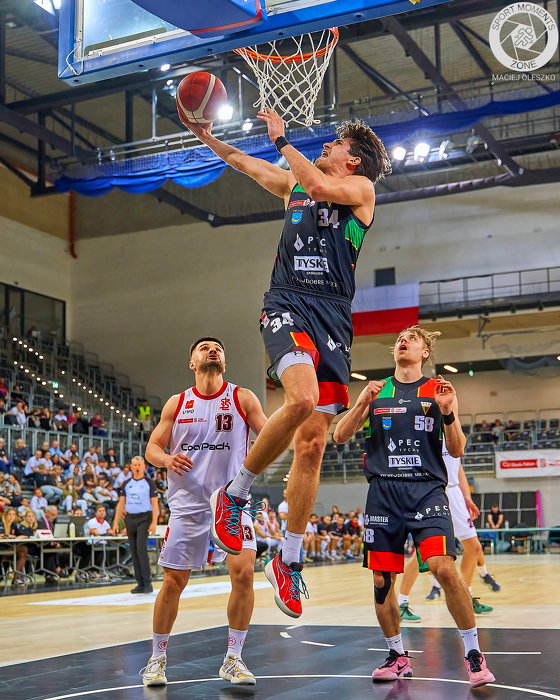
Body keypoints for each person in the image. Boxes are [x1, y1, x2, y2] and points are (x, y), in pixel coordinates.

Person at [185, 111, 389, 619]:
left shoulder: (360, 189)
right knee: (301, 400)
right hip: (288, 303)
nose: (328, 145)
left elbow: (318, 185)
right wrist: (205, 135)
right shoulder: (293, 185)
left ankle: (289, 560)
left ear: (353, 159)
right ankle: (236, 495)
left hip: (334, 317)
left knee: (314, 444)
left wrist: (282, 139)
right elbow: (242, 162)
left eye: (337, 144)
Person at [333, 326, 494, 687]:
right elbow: (340, 436)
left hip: (426, 491)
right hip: (383, 492)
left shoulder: (438, 391)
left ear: (425, 352)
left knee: (445, 569)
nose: (402, 341)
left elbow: (457, 449)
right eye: (399, 339)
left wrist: (448, 412)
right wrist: (361, 403)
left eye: (412, 338)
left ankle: (473, 654)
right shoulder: (377, 391)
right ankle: (397, 655)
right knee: (381, 579)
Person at [140, 337, 267, 687]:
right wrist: (167, 459)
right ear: (192, 363)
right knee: (172, 583)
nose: (213, 350)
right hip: (187, 505)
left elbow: (271, 435)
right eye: (204, 347)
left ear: (224, 362)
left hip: (232, 503)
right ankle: (156, 659)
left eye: (218, 348)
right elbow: (152, 447)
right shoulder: (178, 402)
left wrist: (253, 465)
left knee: (244, 575)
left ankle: (233, 659)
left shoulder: (242, 398)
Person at [398, 444, 497, 619]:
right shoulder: (424, 431)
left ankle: (466, 598)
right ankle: (401, 603)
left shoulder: (452, 431)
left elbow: (458, 467)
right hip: (431, 493)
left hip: (454, 493)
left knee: (474, 548)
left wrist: (466, 497)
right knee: (422, 553)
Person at [112, 456, 158, 593]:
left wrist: (154, 522)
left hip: (144, 518)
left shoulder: (149, 483)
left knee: (141, 548)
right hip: (130, 518)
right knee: (133, 550)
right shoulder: (127, 483)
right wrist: (116, 522)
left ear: (144, 467)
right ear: (131, 467)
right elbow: (121, 503)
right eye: (135, 465)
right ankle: (140, 583)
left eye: (139, 465)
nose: (137, 467)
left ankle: (147, 582)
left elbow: (155, 503)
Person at [0, 507, 28, 586]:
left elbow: (22, 535)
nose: (11, 516)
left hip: (11, 549)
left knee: (22, 554)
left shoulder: (14, 525)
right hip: (2, 549)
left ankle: (17, 578)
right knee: (23, 549)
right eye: (9, 514)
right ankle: (18, 578)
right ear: (5, 515)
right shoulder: (1, 524)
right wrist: (9, 536)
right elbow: (1, 535)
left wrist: (19, 537)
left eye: (13, 514)